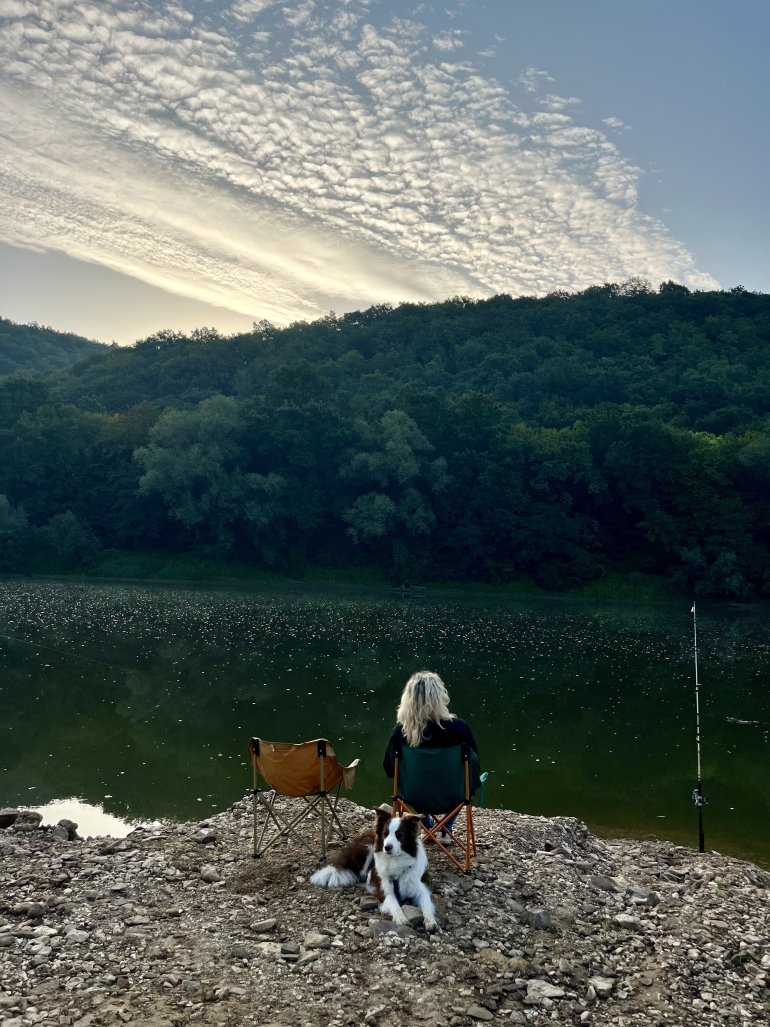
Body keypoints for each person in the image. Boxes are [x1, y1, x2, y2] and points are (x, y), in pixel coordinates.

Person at [383, 670, 480, 840]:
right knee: (467, 783)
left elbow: (390, 769)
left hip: (413, 797)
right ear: (440, 697)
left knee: (414, 783)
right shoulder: (460, 729)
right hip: (453, 796)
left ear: (408, 700)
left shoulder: (400, 732)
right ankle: (444, 829)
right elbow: (474, 765)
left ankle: (427, 824)